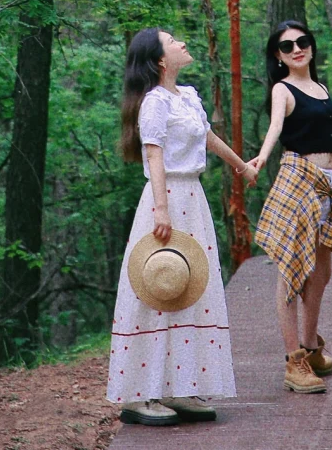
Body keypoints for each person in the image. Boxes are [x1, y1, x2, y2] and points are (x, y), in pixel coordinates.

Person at [108, 27, 254, 427]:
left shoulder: (186, 96)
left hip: (192, 199)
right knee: (156, 287)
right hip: (166, 198)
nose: (181, 43)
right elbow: (154, 155)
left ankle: (180, 385)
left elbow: (205, 138)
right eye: (172, 41)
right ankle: (139, 393)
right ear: (159, 60)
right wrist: (160, 209)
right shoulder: (154, 102)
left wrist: (241, 166)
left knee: (189, 288)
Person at [245, 20, 332, 395]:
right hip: (297, 179)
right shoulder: (282, 89)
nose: (296, 50)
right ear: (279, 56)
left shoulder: (321, 88)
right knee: (290, 270)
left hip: (324, 185)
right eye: (287, 47)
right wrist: (261, 158)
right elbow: (275, 128)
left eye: (302, 42)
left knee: (321, 271)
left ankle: (311, 346)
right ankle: (294, 362)